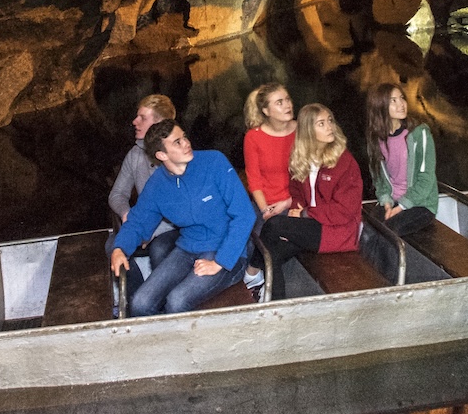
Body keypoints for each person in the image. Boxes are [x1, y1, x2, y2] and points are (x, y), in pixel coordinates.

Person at [109, 120, 257, 316]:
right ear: (161, 155)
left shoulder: (214, 162)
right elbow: (138, 221)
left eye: (184, 137)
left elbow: (245, 214)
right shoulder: (157, 185)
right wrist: (120, 248)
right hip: (188, 248)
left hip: (227, 250)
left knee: (176, 301)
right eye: (177, 142)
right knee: (140, 303)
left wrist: (220, 262)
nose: (186, 143)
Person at [259, 104, 366, 298]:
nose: (330, 127)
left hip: (338, 232)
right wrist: (296, 210)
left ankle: (251, 274)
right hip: (313, 226)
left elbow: (344, 210)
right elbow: (296, 191)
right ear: (308, 131)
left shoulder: (345, 162)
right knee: (273, 251)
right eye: (321, 124)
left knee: (274, 225)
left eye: (330, 121)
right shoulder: (303, 159)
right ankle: (275, 301)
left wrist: (305, 214)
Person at [106, 93, 179, 309]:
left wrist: (150, 232)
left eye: (142, 118)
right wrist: (126, 213)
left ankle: (163, 304)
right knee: (112, 245)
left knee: (160, 249)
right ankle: (142, 305)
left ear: (158, 124)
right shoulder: (135, 154)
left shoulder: (176, 154)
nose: (134, 122)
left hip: (175, 228)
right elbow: (117, 194)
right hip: (145, 225)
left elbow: (179, 209)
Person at [364, 82, 438, 236]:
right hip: (393, 199)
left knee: (388, 232)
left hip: (420, 204)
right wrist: (385, 201)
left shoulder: (419, 133)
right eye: (393, 101)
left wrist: (401, 207)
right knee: (368, 231)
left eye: (402, 98)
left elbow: (426, 179)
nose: (402, 104)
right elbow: (378, 176)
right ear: (380, 106)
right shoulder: (376, 138)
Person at [241, 82, 298, 218]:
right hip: (268, 205)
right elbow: (254, 180)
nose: (287, 105)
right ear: (266, 111)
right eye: (279, 103)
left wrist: (289, 203)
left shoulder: (302, 130)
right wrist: (266, 211)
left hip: (298, 203)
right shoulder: (253, 137)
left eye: (287, 99)